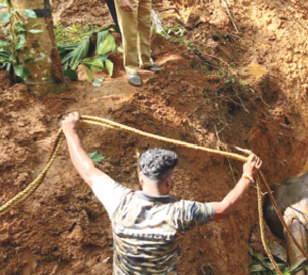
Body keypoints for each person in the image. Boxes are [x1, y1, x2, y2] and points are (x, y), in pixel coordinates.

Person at [61, 112, 262, 274]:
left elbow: (87, 170)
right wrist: (247, 176)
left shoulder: (119, 202)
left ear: (141, 177)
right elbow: (225, 207)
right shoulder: (180, 213)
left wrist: (70, 133)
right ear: (170, 180)